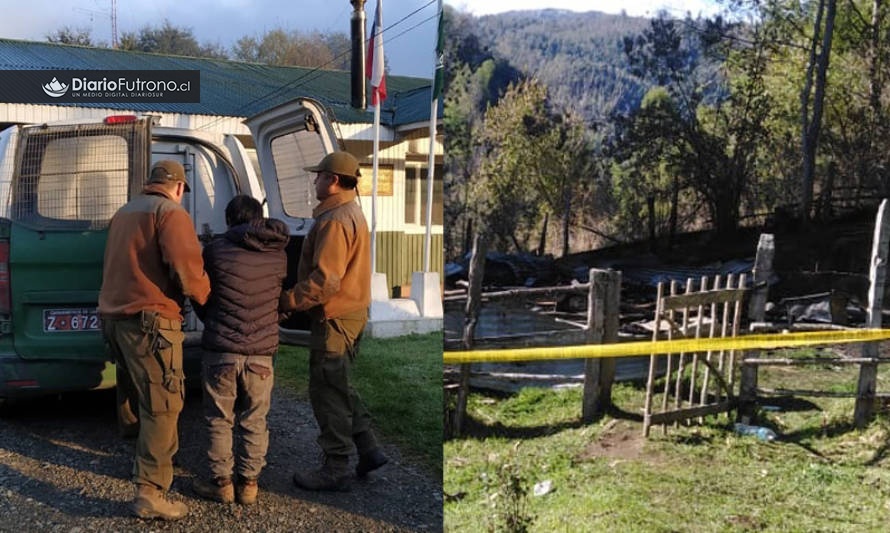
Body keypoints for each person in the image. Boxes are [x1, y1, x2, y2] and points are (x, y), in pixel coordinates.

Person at [99, 159, 210, 521]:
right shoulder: (170, 213)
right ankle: (150, 491)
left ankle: (136, 460)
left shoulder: (124, 211)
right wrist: (209, 297)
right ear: (178, 187)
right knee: (164, 404)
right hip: (150, 321)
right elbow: (187, 268)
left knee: (133, 390)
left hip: (114, 319)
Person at [280, 150, 388, 492]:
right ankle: (368, 448)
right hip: (349, 313)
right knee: (338, 385)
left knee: (327, 391)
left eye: (319, 176)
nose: (315, 180)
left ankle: (336, 467)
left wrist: (288, 301)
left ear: (335, 181)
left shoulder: (335, 220)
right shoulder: (348, 212)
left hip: (336, 315)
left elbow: (326, 280)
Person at [191, 195, 289, 506]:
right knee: (255, 418)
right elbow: (279, 298)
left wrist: (212, 321)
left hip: (220, 349)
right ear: (259, 218)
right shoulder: (278, 254)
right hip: (261, 353)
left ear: (230, 219)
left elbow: (201, 295)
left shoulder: (215, 250)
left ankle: (221, 484)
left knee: (219, 419)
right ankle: (249, 485)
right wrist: (275, 322)